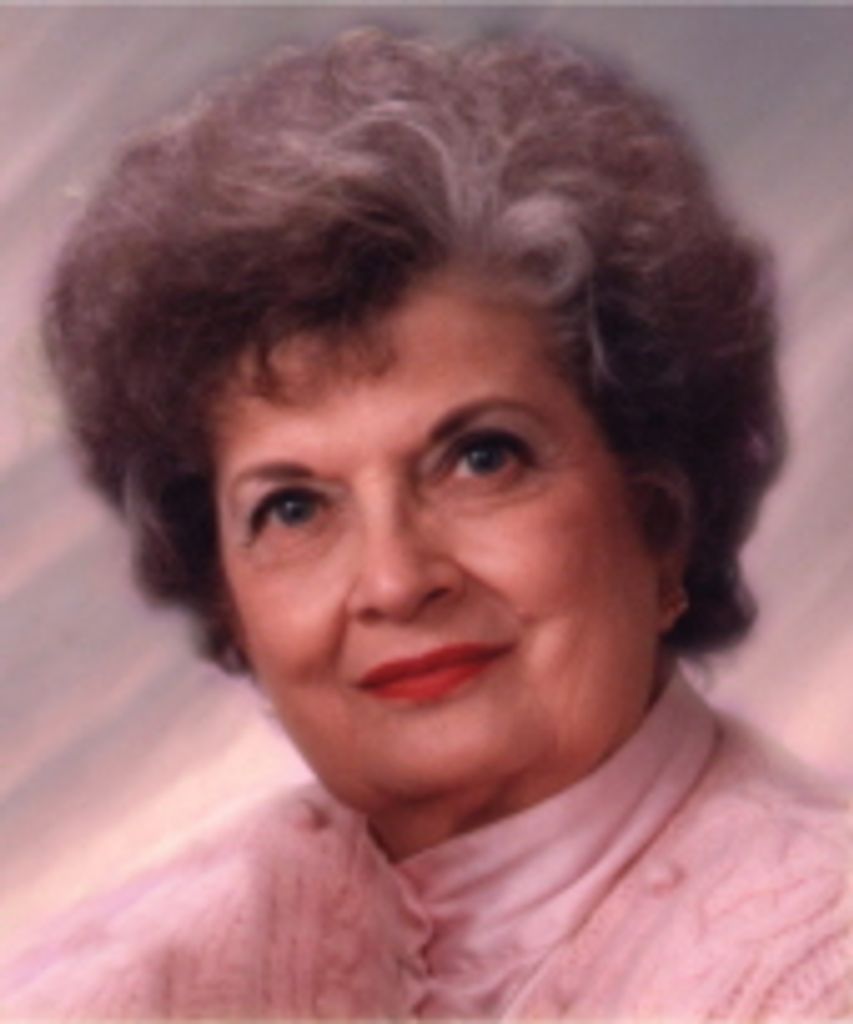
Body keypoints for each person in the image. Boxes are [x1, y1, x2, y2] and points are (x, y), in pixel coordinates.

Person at [2, 26, 850, 1020]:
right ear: (232, 614)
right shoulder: (143, 968)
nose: (395, 580)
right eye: (292, 507)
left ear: (658, 525)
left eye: (481, 458)